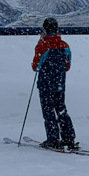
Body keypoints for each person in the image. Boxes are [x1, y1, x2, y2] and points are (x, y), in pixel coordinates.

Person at [32, 17, 78, 151]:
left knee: (48, 111)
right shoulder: (65, 45)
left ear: (44, 30)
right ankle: (69, 138)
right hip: (59, 84)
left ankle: (53, 139)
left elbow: (36, 67)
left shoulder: (42, 45)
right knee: (61, 110)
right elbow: (67, 66)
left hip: (45, 84)